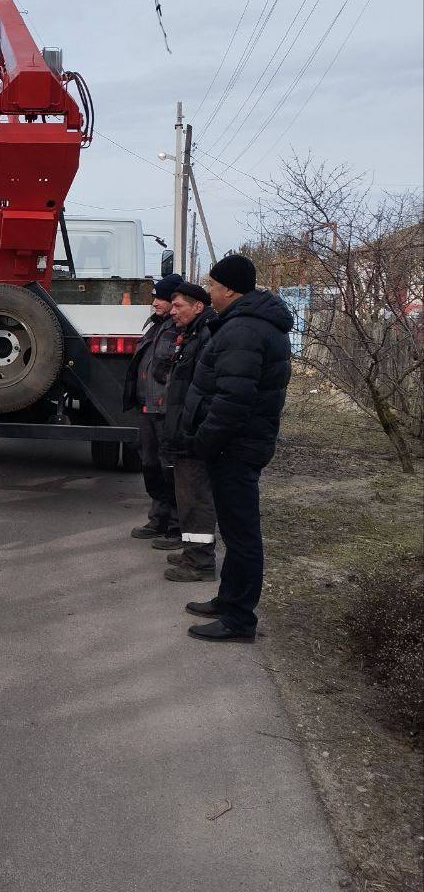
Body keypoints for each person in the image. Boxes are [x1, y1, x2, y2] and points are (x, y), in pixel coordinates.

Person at [175, 254, 293, 642]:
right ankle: (228, 600)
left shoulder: (244, 329)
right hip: (238, 445)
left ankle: (240, 619)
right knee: (234, 528)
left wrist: (204, 442)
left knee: (242, 536)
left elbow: (232, 399)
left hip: (235, 448)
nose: (208, 292)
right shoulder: (247, 323)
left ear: (228, 289)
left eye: (211, 286)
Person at [161, 282, 218, 583]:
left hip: (194, 434)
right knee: (187, 497)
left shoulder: (206, 336)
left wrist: (194, 430)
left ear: (198, 306)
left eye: (178, 306)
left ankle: (200, 564)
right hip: (185, 430)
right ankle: (191, 552)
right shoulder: (194, 334)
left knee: (196, 499)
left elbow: (206, 391)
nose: (172, 312)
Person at [122, 272, 183, 546]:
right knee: (150, 465)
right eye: (154, 296)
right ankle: (158, 519)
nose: (154, 302)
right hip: (147, 409)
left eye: (160, 297)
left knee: (169, 468)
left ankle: (176, 526)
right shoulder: (157, 326)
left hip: (165, 411)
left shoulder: (181, 329)